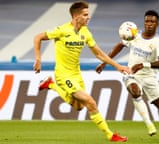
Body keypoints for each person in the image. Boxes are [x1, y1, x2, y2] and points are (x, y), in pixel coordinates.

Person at [33, 1, 129, 142]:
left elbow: (99, 53)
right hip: (63, 75)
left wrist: (117, 66)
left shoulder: (85, 32)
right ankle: (110, 135)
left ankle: (51, 85)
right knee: (91, 102)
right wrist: (38, 59)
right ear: (76, 16)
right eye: (85, 15)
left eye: (88, 14)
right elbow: (38, 37)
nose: (88, 17)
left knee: (78, 106)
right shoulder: (62, 30)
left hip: (76, 74)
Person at [96, 10, 159, 141]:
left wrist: (142, 65)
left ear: (157, 24)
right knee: (135, 92)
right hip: (132, 74)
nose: (149, 24)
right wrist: (104, 63)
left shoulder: (158, 41)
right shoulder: (135, 35)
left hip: (149, 77)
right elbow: (120, 45)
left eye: (152, 21)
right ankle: (149, 124)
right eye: (147, 21)